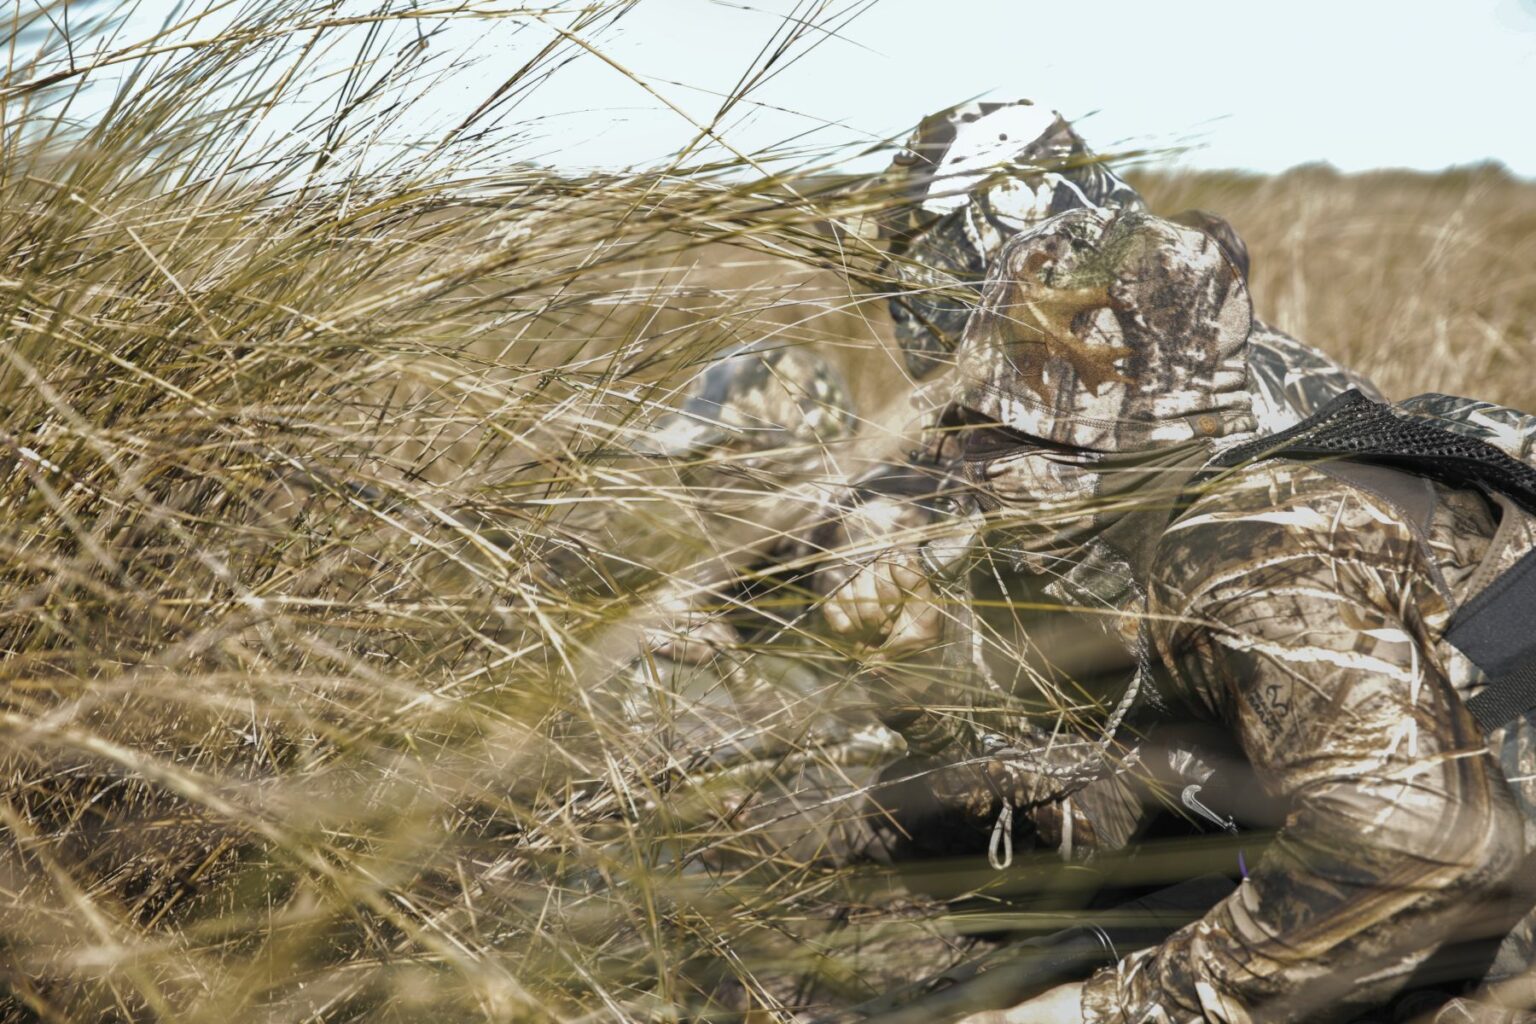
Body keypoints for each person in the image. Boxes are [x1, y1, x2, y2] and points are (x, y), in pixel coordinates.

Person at [823, 205, 1536, 1022]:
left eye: (1005, 446)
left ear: (1127, 448)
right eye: (966, 436)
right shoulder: (1148, 554)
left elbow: (1422, 852)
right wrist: (921, 686)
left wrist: (1096, 1012)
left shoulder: (1244, 544)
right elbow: (1098, 853)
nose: (971, 482)